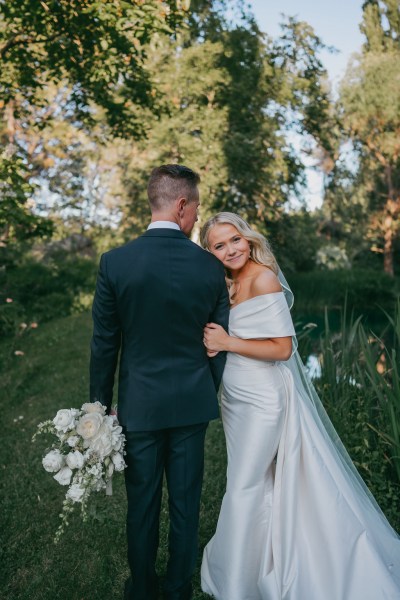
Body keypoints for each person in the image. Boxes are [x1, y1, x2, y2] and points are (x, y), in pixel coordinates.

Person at [199, 212, 400, 600]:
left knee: (243, 483)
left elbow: (283, 348)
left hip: (264, 399)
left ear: (248, 238)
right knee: (257, 481)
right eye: (219, 245)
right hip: (235, 398)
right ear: (209, 252)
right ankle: (264, 558)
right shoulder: (226, 283)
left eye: (235, 240)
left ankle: (236, 583)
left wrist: (227, 343)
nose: (230, 249)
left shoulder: (263, 277)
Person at [89, 165, 230, 600]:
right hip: (192, 405)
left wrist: (99, 406)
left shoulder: (115, 262)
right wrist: (207, 390)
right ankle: (177, 589)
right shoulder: (211, 268)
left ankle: (142, 588)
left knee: (142, 504)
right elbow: (217, 346)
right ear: (182, 205)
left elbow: (104, 344)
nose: (195, 218)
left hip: (140, 407)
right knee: (186, 506)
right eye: (196, 209)